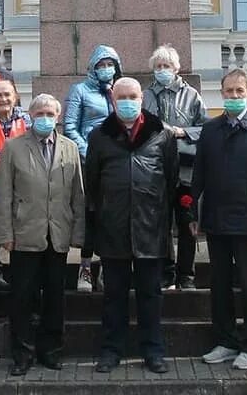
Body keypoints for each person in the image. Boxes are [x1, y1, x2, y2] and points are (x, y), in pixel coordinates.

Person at [86, 77, 179, 375]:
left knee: (150, 296)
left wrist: (167, 226)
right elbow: (92, 184)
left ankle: (153, 351)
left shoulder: (162, 134)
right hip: (113, 229)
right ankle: (111, 351)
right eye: (121, 96)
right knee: (114, 296)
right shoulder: (99, 136)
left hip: (150, 229)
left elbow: (171, 180)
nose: (127, 101)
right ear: (113, 100)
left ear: (142, 98)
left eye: (133, 96)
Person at [191, 68, 247, 371]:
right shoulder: (211, 130)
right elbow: (199, 175)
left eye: (239, 91)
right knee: (219, 285)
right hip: (216, 221)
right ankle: (226, 341)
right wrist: (194, 215)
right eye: (228, 92)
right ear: (221, 93)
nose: (233, 96)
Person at [0, 94, 85, 377]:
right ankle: (22, 353)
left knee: (55, 298)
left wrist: (78, 235)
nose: (45, 117)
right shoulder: (13, 147)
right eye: (40, 113)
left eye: (50, 113)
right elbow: (3, 195)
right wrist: (5, 234)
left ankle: (51, 350)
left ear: (58, 116)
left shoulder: (70, 148)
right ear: (31, 116)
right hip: (24, 235)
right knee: (22, 298)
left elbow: (78, 195)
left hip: (57, 235)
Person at [142, 44, 207, 290]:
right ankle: (166, 274)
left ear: (176, 68)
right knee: (161, 225)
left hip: (186, 169)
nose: (162, 70)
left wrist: (182, 131)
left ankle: (186, 276)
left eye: (166, 66)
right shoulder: (146, 95)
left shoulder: (191, 95)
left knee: (187, 223)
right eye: (158, 66)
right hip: (156, 168)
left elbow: (205, 127)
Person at [64, 44, 122, 291]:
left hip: (117, 163)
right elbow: (70, 127)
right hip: (89, 162)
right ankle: (85, 268)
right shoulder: (80, 90)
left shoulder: (120, 90)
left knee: (113, 215)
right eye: (101, 65)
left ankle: (109, 269)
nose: (106, 69)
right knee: (90, 214)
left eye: (110, 65)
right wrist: (90, 153)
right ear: (93, 67)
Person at [0, 78, 31, 301]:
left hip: (25, 193)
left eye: (7, 94)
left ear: (15, 96)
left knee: (22, 250)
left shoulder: (29, 121)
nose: (3, 99)